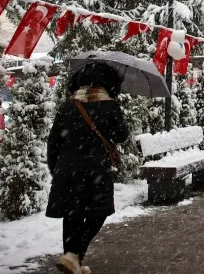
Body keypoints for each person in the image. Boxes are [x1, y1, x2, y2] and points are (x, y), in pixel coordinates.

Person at [46, 63, 129, 274]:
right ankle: (74, 256)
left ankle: (73, 262)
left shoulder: (67, 106)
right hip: (96, 171)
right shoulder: (110, 107)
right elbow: (122, 136)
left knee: (72, 215)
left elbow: (53, 142)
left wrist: (56, 168)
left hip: (66, 170)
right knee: (98, 213)